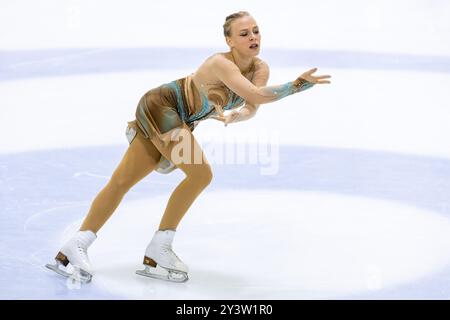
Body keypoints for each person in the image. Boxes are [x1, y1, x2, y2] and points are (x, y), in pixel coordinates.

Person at [46, 11, 331, 284]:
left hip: (179, 118)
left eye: (255, 31)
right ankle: (158, 249)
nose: (253, 37)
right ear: (229, 41)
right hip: (163, 106)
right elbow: (256, 94)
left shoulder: (260, 68)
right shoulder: (221, 63)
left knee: (123, 180)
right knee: (200, 174)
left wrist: (236, 115)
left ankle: (74, 246)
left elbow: (252, 105)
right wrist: (296, 86)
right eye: (244, 33)